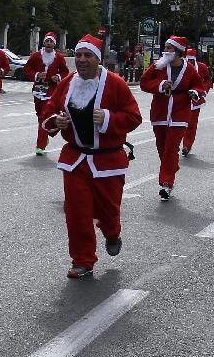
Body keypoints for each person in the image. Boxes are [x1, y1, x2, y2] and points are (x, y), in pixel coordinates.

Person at [39, 34, 141, 278]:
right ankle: (82, 260)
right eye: (79, 55)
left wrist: (109, 118)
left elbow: (134, 117)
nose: (82, 60)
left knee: (108, 210)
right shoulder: (67, 83)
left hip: (107, 161)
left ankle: (112, 231)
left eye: (88, 56)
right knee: (76, 212)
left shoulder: (115, 84)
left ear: (98, 59)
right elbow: (49, 110)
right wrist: (55, 121)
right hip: (75, 159)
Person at [140, 36, 205, 200]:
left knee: (171, 147)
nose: (165, 51)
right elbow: (144, 82)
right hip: (160, 111)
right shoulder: (158, 66)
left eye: (169, 48)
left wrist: (195, 92)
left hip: (180, 112)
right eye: (166, 47)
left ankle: (166, 183)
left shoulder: (189, 69)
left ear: (178, 52)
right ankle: (172, 167)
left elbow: (199, 84)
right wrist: (160, 85)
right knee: (162, 147)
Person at [24, 32, 69, 155]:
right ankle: (45, 134)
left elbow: (65, 71)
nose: (49, 43)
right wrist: (37, 75)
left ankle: (40, 145)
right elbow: (27, 69)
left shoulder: (59, 57)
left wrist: (58, 77)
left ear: (54, 44)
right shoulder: (36, 55)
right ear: (44, 43)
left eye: (51, 41)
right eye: (47, 41)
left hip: (51, 91)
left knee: (44, 115)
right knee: (40, 116)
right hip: (38, 90)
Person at [181, 48, 213, 156]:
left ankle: (187, 145)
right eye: (187, 60)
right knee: (179, 123)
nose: (189, 63)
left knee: (192, 124)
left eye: (191, 60)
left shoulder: (202, 67)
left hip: (196, 101)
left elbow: (208, 80)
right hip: (181, 100)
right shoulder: (181, 66)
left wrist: (203, 89)